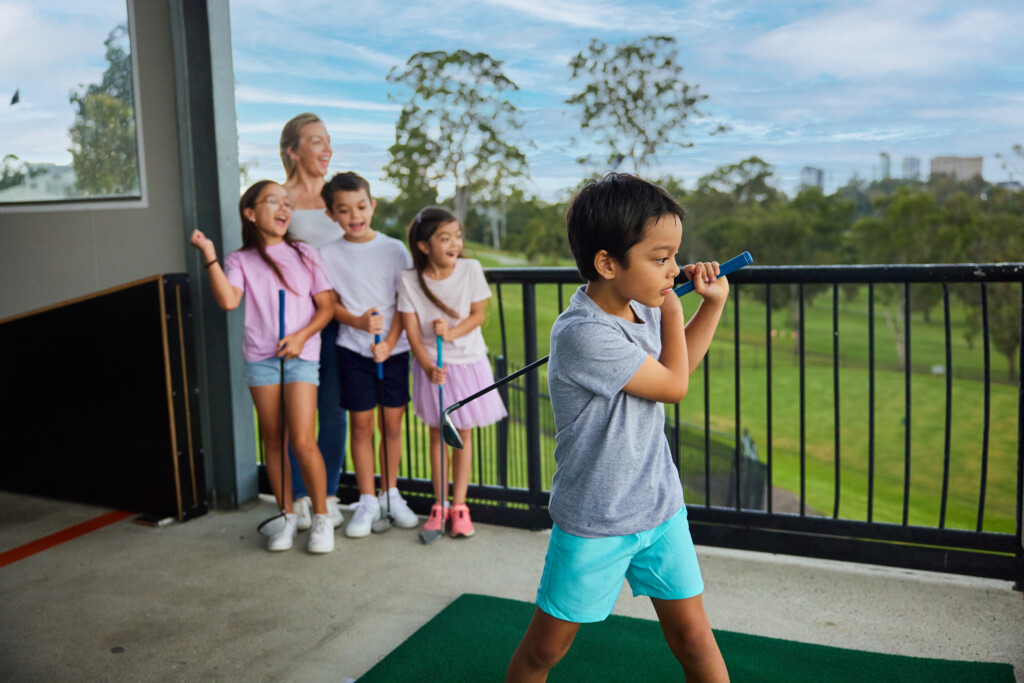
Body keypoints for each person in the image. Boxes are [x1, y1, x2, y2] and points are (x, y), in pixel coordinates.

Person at [505, 174, 730, 681]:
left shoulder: (641, 306)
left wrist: (709, 304)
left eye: (675, 256)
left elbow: (677, 367)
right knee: (545, 651)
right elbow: (674, 385)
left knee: (695, 639)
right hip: (596, 520)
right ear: (607, 263)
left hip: (659, 506)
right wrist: (674, 305)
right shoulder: (583, 334)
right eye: (660, 258)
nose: (675, 270)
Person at [190, 180, 336, 554]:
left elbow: (327, 308)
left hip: (301, 357)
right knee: (273, 439)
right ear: (251, 213)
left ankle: (321, 518)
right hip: (261, 359)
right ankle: (287, 517)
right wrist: (208, 252)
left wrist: (302, 336)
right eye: (274, 201)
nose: (284, 208)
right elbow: (227, 300)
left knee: (303, 439)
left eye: (287, 202)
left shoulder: (304, 253)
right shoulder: (240, 260)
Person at [318, 172, 420, 537]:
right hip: (353, 351)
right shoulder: (326, 254)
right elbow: (329, 304)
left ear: (372, 205)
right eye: (344, 210)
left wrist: (391, 342)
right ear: (331, 215)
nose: (354, 216)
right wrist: (359, 323)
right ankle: (366, 500)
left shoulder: (394, 249)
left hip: (392, 352)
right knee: (361, 426)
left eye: (361, 206)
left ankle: (391, 493)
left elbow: (404, 302)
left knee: (391, 425)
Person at [397, 207, 507, 539]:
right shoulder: (408, 279)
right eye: (444, 238)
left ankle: (460, 506)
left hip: (468, 362)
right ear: (423, 245)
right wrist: (428, 365)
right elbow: (412, 330)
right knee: (436, 433)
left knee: (463, 434)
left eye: (457, 236)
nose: (454, 243)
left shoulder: (471, 269)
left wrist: (451, 333)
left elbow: (477, 315)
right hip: (434, 367)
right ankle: (439, 504)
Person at [279, 112, 346, 531]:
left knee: (334, 411)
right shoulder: (280, 198)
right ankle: (300, 496)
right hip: (298, 322)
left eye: (328, 141)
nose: (327, 149)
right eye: (316, 141)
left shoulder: (339, 197)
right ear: (292, 151)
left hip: (340, 320)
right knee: (295, 416)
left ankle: (331, 494)